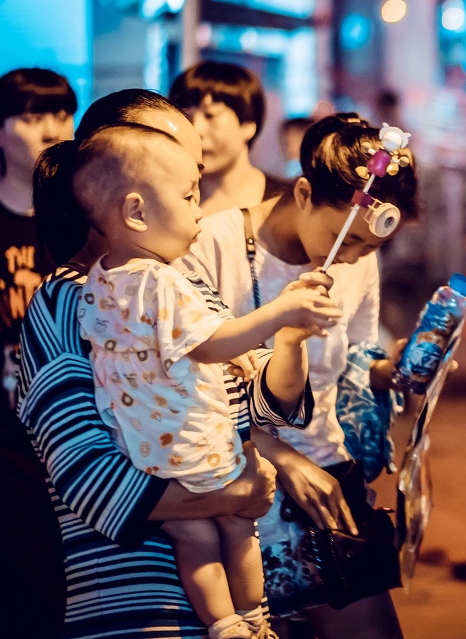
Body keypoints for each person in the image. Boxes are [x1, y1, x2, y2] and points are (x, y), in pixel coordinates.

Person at [18, 90, 310, 639]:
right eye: (184, 178)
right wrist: (231, 494)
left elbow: (247, 409)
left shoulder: (181, 282)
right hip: (135, 603)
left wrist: (290, 341)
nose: (196, 199)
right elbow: (85, 476)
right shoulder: (71, 300)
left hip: (223, 595)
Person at [71, 124, 341, 639]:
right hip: (193, 445)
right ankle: (256, 619)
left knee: (195, 536)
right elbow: (211, 343)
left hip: (144, 454)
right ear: (136, 212)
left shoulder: (102, 279)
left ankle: (224, 625)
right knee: (239, 528)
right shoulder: (161, 279)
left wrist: (282, 346)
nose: (200, 209)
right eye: (189, 196)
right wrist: (280, 313)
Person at [178, 113, 418, 638]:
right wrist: (278, 455)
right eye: (342, 238)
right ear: (304, 193)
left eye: (367, 248)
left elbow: (351, 362)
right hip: (240, 487)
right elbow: (187, 381)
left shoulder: (357, 262)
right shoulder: (213, 244)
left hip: (330, 482)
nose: (351, 256)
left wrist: (385, 371)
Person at [0, 67, 77, 638]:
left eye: (60, 113)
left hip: (75, 436)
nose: (52, 128)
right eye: (32, 116)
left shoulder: (80, 220)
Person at [170, 61, 291, 215]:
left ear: (248, 124)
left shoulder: (286, 202)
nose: (196, 129)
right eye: (187, 117)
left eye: (210, 115)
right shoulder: (169, 199)